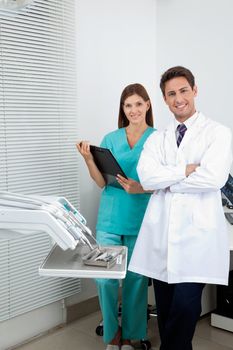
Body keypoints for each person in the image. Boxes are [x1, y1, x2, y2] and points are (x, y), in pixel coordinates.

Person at [129, 66, 233, 350]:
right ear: (164, 99)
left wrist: (168, 180)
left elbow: (214, 177)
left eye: (183, 91)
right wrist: (187, 169)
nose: (178, 99)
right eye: (171, 94)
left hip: (197, 243)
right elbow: (147, 177)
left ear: (195, 91)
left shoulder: (218, 133)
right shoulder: (157, 138)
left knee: (184, 313)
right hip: (160, 242)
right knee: (166, 317)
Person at [76, 83, 155, 350]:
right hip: (110, 217)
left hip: (140, 216)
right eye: (127, 105)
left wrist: (139, 186)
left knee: (135, 278)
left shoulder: (158, 139)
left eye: (138, 104)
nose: (133, 110)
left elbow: (165, 181)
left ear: (147, 105)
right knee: (104, 277)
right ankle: (112, 333)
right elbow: (101, 182)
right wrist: (88, 159)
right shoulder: (111, 138)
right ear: (122, 109)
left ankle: (134, 335)